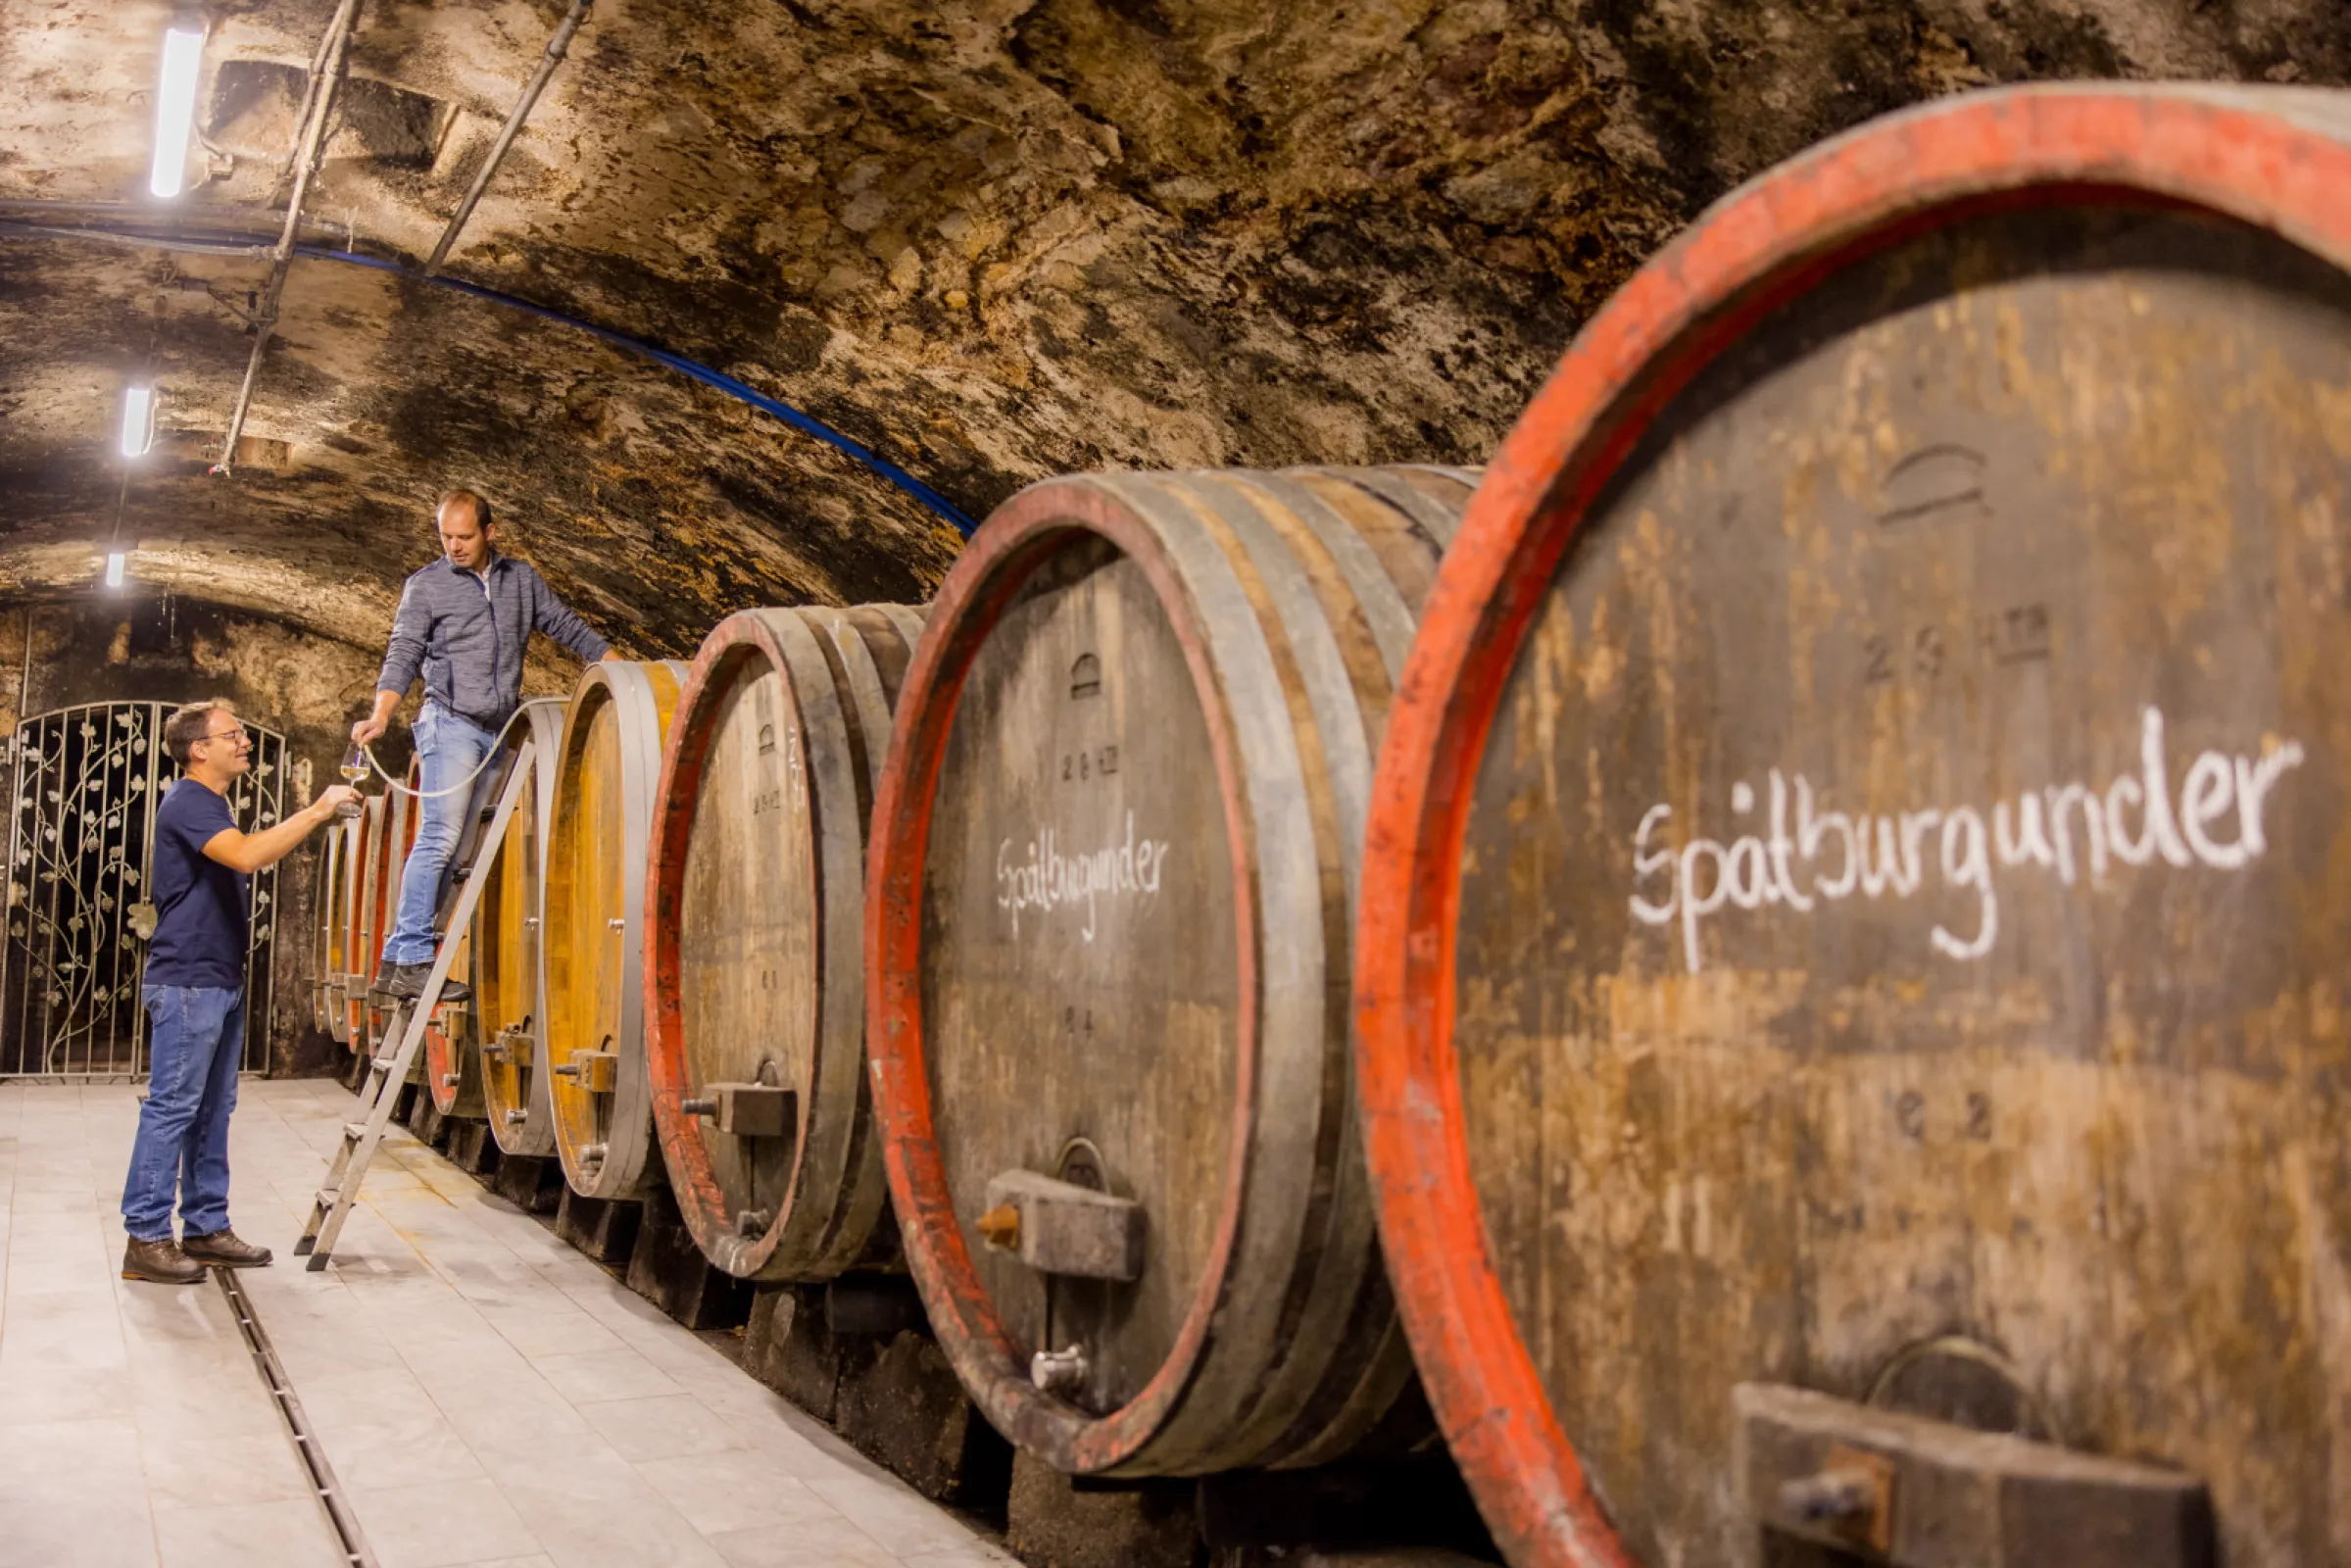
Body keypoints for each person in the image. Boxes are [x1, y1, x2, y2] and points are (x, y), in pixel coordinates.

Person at [122, 701, 360, 1284]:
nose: (244, 741)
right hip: (187, 980)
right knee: (173, 1106)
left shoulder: (211, 802)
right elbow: (248, 855)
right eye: (233, 734)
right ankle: (145, 1237)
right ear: (198, 748)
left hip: (217, 978)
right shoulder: (188, 801)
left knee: (212, 1109)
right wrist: (319, 810)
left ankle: (205, 1227)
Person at [355, 489, 614, 1002]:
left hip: (497, 732)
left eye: (464, 536)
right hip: (449, 725)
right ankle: (411, 961)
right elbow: (403, 651)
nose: (453, 546)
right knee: (438, 840)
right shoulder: (425, 586)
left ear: (490, 533)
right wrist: (382, 713)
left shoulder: (521, 580)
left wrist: (613, 660)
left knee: (460, 852)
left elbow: (562, 624)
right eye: (446, 536)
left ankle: (397, 961)